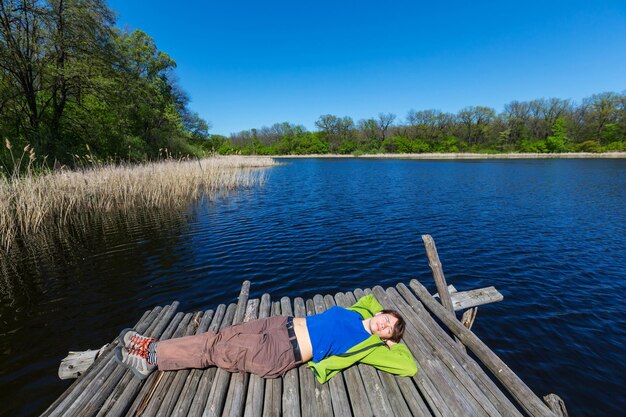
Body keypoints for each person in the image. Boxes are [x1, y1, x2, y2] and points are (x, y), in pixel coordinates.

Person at [114, 294, 417, 383]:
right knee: (216, 336)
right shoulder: (357, 312)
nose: (383, 324)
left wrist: (390, 342)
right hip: (278, 323)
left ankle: (151, 357)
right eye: (387, 319)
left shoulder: (367, 344)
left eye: (388, 328)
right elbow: (372, 300)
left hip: (281, 350)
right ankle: (153, 349)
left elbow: (408, 367)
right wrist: (385, 318)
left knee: (217, 351)